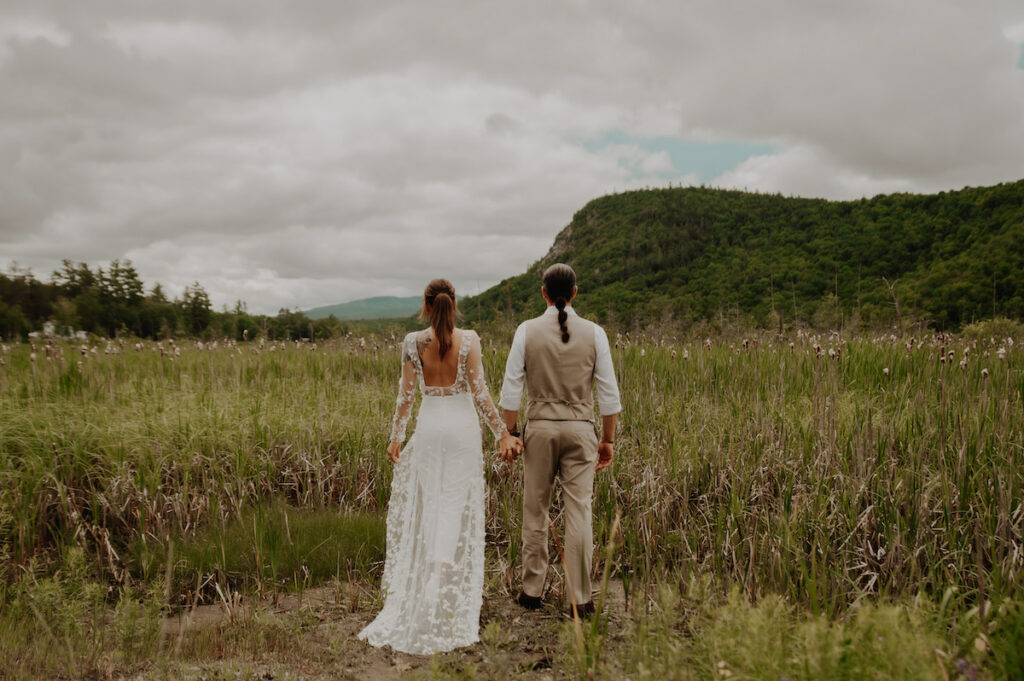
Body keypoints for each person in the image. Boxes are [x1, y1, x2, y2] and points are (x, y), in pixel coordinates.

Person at [358, 278, 521, 655]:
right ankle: (440, 582)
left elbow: (405, 396)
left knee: (433, 505)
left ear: (426, 306)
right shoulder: (471, 340)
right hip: (462, 430)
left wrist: (396, 436)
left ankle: (432, 580)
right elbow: (480, 393)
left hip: (430, 427)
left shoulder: (412, 342)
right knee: (454, 506)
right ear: (454, 303)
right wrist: (502, 434)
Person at [498, 263, 621, 616]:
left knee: (535, 508)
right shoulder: (595, 333)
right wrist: (607, 439)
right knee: (579, 510)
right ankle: (580, 598)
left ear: (543, 294)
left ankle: (532, 591)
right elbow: (608, 395)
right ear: (576, 292)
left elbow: (511, 390)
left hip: (539, 429)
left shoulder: (526, 330)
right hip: (581, 429)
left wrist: (512, 431)